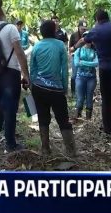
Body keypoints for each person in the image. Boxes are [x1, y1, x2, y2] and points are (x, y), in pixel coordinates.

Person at [0, 0, 31, 153]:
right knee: (10, 107)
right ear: (2, 11)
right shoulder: (10, 28)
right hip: (10, 73)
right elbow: (20, 53)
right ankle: (10, 144)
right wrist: (26, 75)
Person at [29, 20, 76, 157]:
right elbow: (64, 70)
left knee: (43, 118)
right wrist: (64, 87)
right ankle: (71, 151)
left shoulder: (37, 46)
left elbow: (33, 69)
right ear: (54, 31)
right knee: (63, 119)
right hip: (56, 89)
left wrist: (32, 86)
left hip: (38, 87)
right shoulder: (60, 45)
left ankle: (45, 149)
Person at [73, 36, 98, 120]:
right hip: (80, 77)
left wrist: (82, 62)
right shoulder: (79, 50)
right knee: (80, 97)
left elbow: (96, 63)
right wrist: (90, 63)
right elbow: (76, 63)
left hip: (91, 78)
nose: (88, 41)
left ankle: (88, 119)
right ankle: (77, 117)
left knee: (89, 97)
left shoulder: (94, 51)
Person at [68, 19, 88, 96]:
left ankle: (84, 92)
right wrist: (77, 45)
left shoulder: (88, 35)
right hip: (75, 57)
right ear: (78, 27)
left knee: (85, 75)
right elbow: (70, 49)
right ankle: (73, 91)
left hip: (86, 58)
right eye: (82, 28)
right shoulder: (73, 35)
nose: (83, 30)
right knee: (74, 75)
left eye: (85, 29)